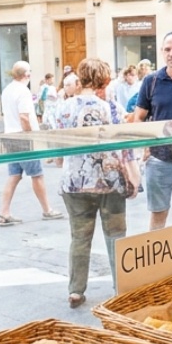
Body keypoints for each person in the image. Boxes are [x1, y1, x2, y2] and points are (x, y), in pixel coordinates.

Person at [58, 58, 137, 309]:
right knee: (116, 235)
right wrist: (132, 176)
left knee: (79, 237)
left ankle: (75, 290)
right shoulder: (108, 107)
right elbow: (119, 144)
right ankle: (121, 287)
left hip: (73, 180)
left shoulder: (63, 107)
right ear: (104, 80)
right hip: (106, 180)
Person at [133, 32, 172, 231]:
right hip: (159, 158)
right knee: (158, 214)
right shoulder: (152, 81)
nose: (171, 54)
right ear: (161, 52)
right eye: (167, 49)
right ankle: (156, 259)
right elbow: (138, 117)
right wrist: (145, 146)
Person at [0, 61, 61, 226]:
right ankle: (47, 210)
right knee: (37, 175)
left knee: (14, 175)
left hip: (10, 136)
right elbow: (24, 117)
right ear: (27, 75)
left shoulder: (7, 90)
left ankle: (4, 212)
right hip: (23, 139)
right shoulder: (23, 91)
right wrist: (31, 136)